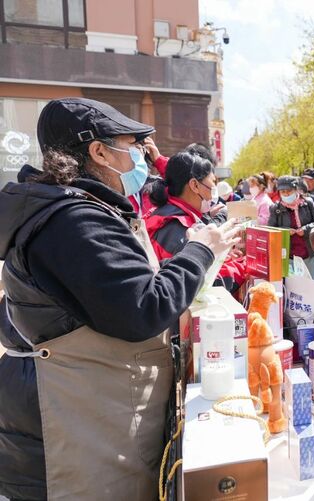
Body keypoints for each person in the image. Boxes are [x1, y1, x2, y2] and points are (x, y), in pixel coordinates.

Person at [0, 97, 239, 499]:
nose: (140, 158)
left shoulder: (84, 209)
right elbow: (142, 308)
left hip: (90, 416)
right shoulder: (72, 220)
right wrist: (199, 250)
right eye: (132, 146)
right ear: (98, 151)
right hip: (71, 434)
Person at [145, 148, 246, 292]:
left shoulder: (169, 214)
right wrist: (245, 266)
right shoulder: (179, 228)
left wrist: (224, 256)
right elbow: (199, 283)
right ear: (195, 185)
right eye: (213, 182)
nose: (215, 190)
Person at [268, 175, 314, 277]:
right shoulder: (275, 208)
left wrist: (305, 229)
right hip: (288, 255)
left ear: (296, 189)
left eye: (289, 191)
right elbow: (270, 229)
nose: (286, 194)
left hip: (309, 253)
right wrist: (286, 231)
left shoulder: (308, 202)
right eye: (283, 192)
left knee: (309, 285)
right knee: (292, 288)